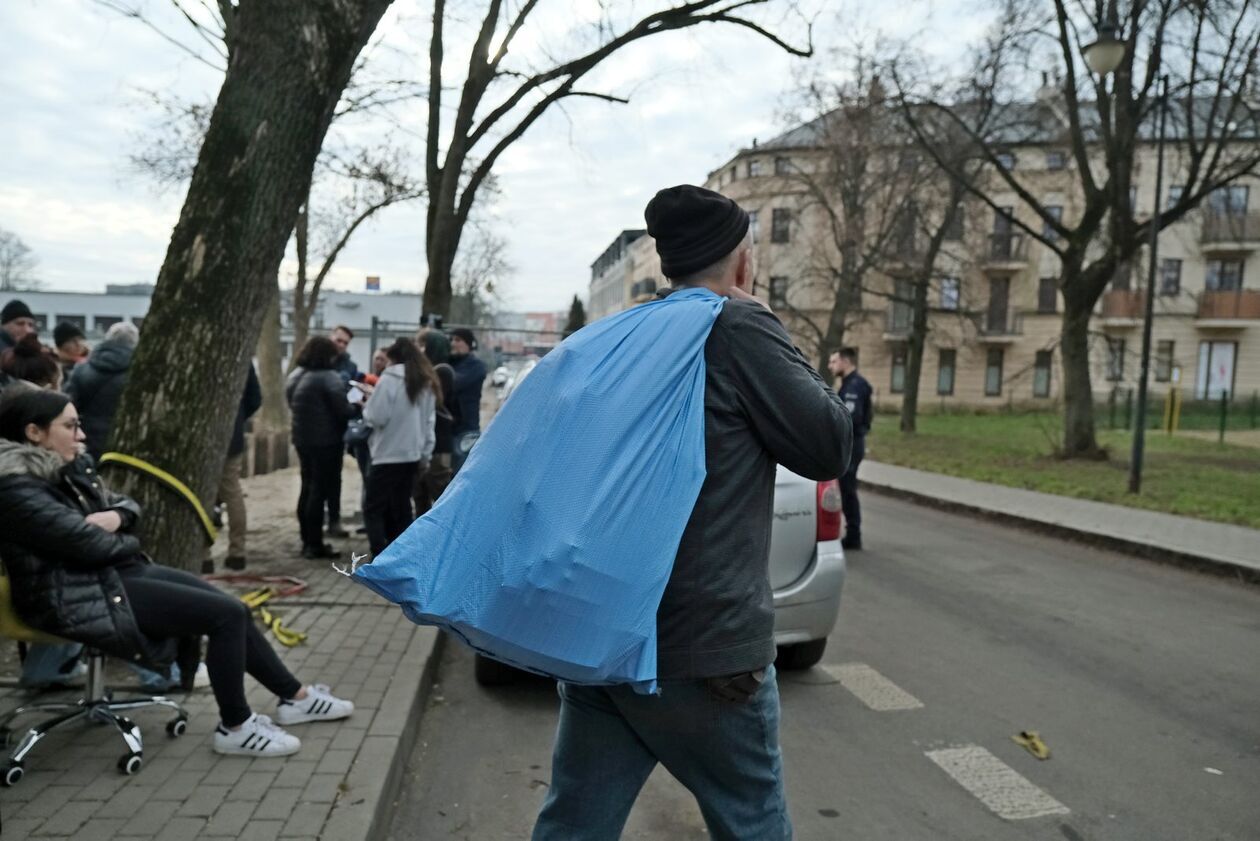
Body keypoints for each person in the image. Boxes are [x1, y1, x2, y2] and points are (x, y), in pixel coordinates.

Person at [531, 185, 852, 841]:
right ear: (741, 261)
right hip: (705, 648)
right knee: (753, 821)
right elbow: (828, 445)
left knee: (573, 823)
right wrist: (771, 327)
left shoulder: (621, 334)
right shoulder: (736, 326)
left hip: (606, 630)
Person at [0, 387, 355, 756]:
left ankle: (294, 698)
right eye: (70, 426)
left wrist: (116, 518)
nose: (82, 435)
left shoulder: (63, 469)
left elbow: (123, 505)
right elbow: (89, 544)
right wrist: (128, 539)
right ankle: (236, 726)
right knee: (225, 616)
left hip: (104, 576)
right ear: (34, 433)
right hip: (70, 594)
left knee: (232, 607)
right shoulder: (15, 488)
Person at [361, 338, 437, 556]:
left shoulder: (389, 379)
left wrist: (366, 406)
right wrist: (425, 454)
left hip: (386, 453)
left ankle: (378, 553)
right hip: (412, 455)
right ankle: (401, 554)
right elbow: (428, 422)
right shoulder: (424, 382)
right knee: (402, 507)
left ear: (393, 358)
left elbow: (377, 417)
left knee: (373, 508)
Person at [286, 336, 354, 560]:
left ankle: (307, 538)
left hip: (302, 439)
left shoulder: (296, 376)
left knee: (306, 488)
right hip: (326, 442)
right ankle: (314, 543)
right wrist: (357, 406)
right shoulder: (329, 377)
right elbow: (342, 410)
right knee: (319, 491)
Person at [64, 321, 138, 460]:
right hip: (122, 441)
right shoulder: (138, 374)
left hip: (87, 439)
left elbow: (69, 405)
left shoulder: (81, 370)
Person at [214, 363, 262, 572]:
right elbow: (255, 398)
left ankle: (203, 554)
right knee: (233, 492)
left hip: (202, 436)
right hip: (232, 433)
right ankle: (237, 552)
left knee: (201, 494)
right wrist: (239, 416)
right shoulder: (241, 357)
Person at [828, 347, 871, 551]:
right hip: (851, 442)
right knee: (846, 488)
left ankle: (854, 535)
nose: (830, 366)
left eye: (834, 361)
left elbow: (851, 418)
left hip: (853, 444)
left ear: (845, 362)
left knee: (847, 488)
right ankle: (852, 533)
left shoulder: (855, 386)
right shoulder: (849, 384)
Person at [413, 329, 457, 516]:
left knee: (439, 494)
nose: (418, 350)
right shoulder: (431, 371)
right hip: (425, 443)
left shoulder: (442, 371)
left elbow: (433, 403)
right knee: (419, 496)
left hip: (438, 444)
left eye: (422, 345)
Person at [326, 325, 359, 538]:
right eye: (339, 340)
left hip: (337, 427)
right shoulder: (317, 360)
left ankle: (334, 519)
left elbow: (352, 392)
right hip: (318, 427)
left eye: (345, 342)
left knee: (334, 478)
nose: (341, 345)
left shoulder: (350, 366)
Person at [447, 327, 486, 436]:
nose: (453, 343)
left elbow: (454, 383)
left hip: (466, 430)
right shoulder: (449, 362)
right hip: (448, 428)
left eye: (458, 340)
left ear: (469, 345)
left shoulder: (476, 366)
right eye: (451, 340)